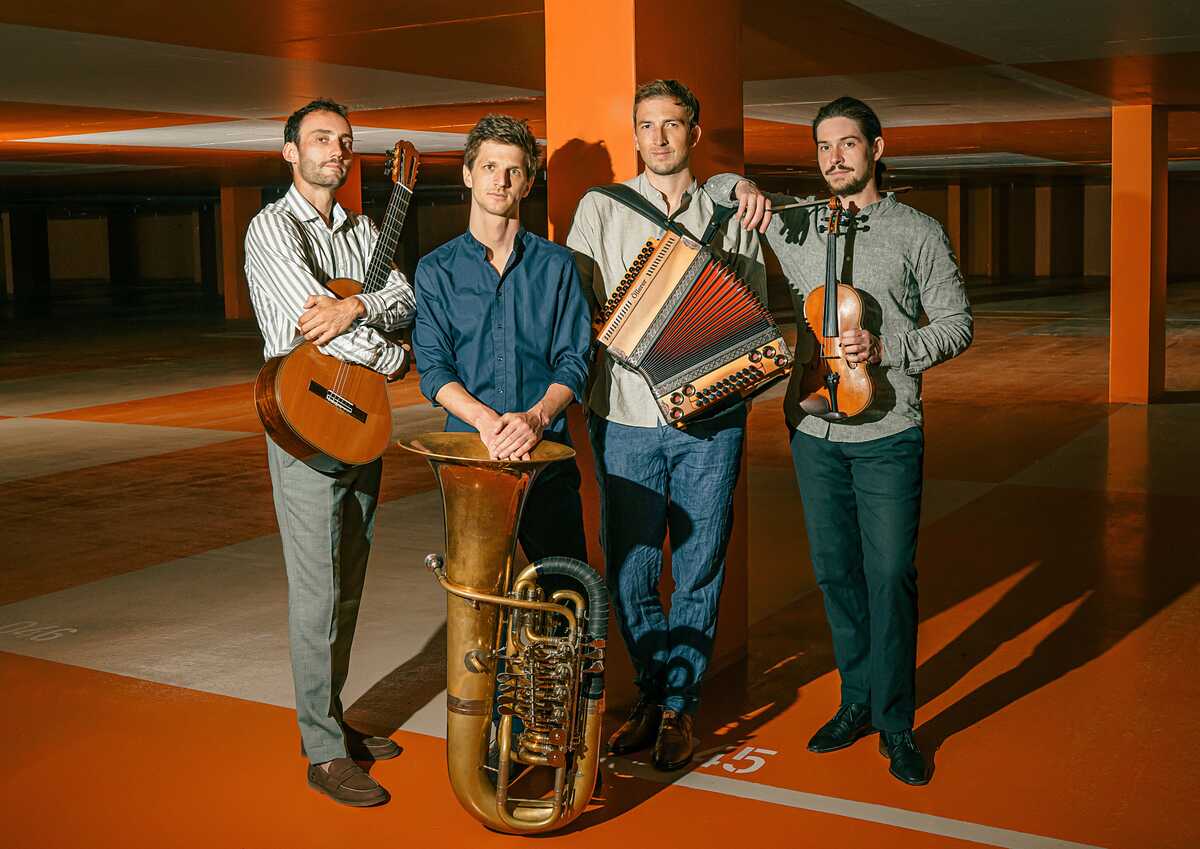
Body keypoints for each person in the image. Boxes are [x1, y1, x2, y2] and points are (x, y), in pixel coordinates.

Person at [706, 95, 973, 785]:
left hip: (889, 431)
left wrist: (890, 347)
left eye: (848, 144)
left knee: (889, 576)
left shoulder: (917, 231)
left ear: (875, 150)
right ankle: (855, 700)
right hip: (815, 430)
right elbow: (710, 188)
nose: (834, 157)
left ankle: (897, 722)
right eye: (824, 146)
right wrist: (737, 187)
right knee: (835, 573)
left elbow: (957, 323)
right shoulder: (796, 227)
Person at [567, 79, 767, 772]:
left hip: (713, 420)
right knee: (632, 565)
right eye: (645, 125)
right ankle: (655, 687)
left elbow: (749, 315)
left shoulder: (733, 209)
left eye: (670, 124)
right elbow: (578, 312)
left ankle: (680, 705)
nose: (657, 137)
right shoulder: (600, 208)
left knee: (701, 564)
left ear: (694, 131)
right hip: (624, 415)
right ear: (635, 133)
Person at [244, 97, 415, 807]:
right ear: (291, 152)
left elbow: (402, 292)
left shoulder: (364, 227)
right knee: (316, 593)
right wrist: (393, 355)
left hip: (361, 422)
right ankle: (320, 751)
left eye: (344, 141)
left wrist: (356, 307)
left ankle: (334, 716)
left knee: (349, 582)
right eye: (320, 139)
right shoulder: (270, 228)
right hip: (306, 423)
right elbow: (313, 330)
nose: (335, 151)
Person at [412, 114, 591, 567]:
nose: (501, 180)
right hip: (471, 460)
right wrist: (488, 424)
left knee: (566, 597)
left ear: (528, 183)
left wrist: (535, 417)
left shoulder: (558, 266)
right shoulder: (436, 270)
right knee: (476, 604)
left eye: (513, 170)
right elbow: (433, 370)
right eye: (490, 167)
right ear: (468, 174)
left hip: (546, 457)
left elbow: (574, 360)